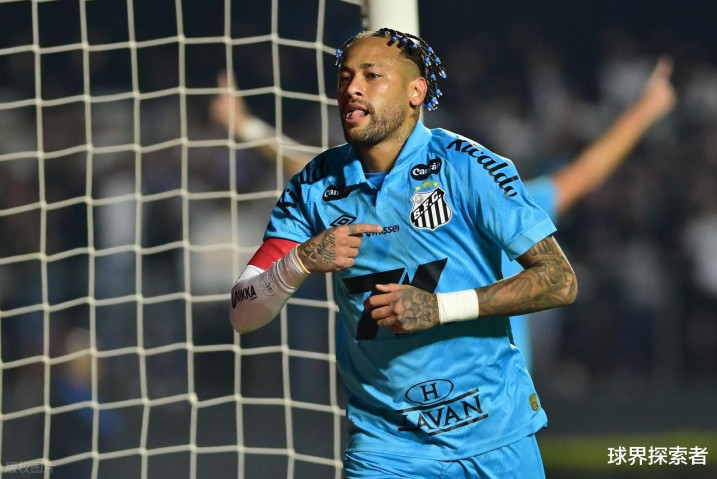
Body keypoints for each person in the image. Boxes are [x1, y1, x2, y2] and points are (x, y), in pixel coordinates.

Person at [229, 28, 577, 478]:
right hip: (386, 447)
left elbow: (559, 280)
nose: (352, 88)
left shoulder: (468, 165)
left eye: (371, 75)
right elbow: (243, 313)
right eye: (345, 77)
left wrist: (439, 308)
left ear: (416, 92)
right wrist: (298, 262)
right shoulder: (312, 187)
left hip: (494, 431)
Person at [507, 57, 676, 370]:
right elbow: (588, 171)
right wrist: (647, 108)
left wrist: (646, 109)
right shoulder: (507, 207)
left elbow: (587, 171)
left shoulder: (509, 207)